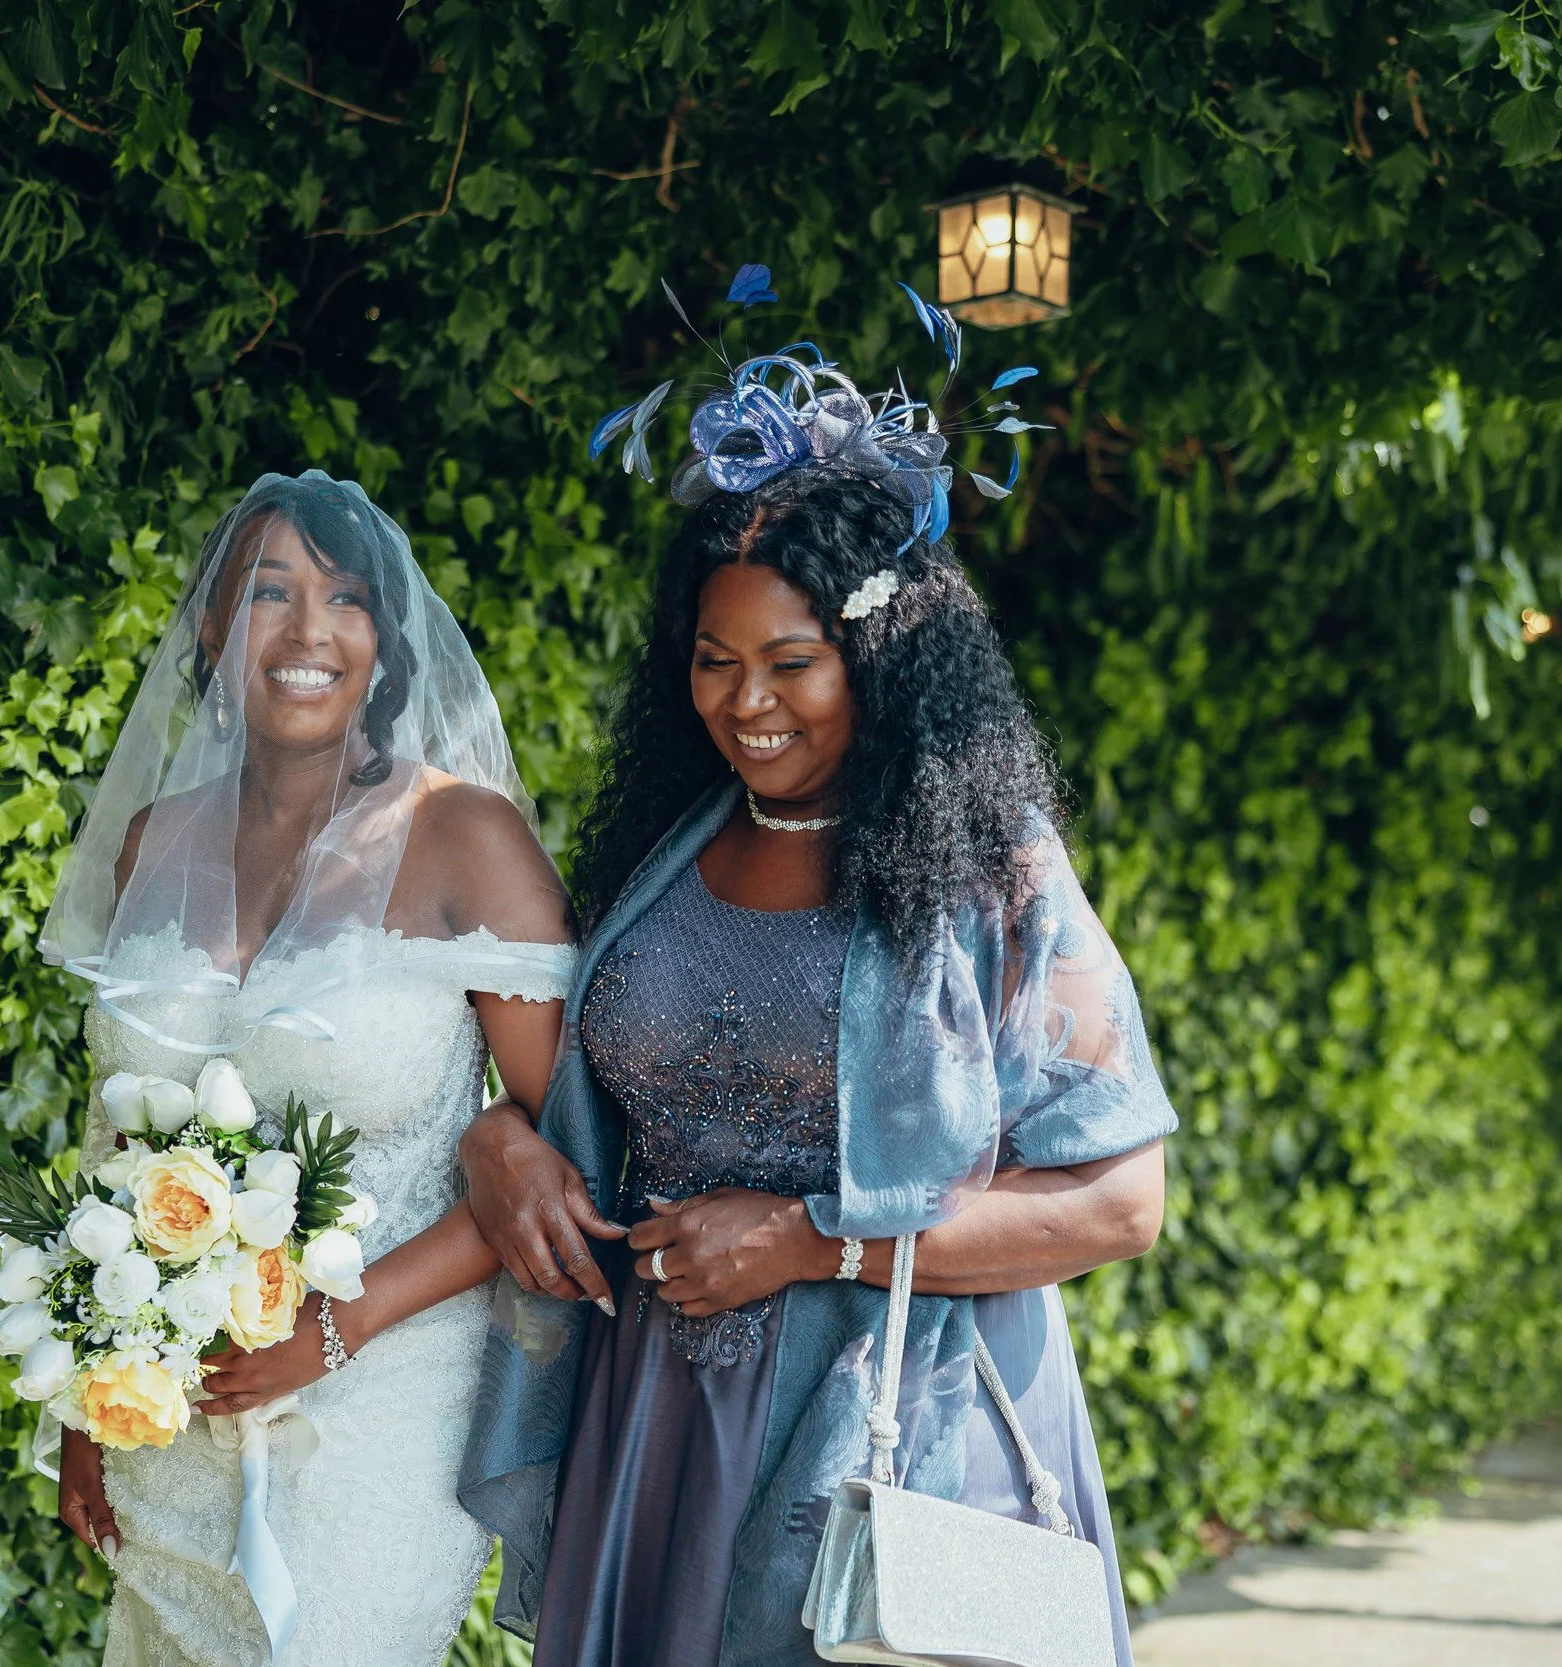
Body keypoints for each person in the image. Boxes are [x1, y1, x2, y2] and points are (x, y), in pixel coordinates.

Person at [456, 314, 1178, 1667]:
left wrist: (812, 1239)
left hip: (890, 1433)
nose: (748, 704)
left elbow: (1122, 1199)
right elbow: (581, 1091)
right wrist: (498, 1128)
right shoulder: (663, 855)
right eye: (715, 662)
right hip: (659, 1427)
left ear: (882, 656)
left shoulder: (993, 873)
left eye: (793, 663)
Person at [37, 471, 577, 1667]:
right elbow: (114, 1134)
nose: (306, 632)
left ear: (384, 642)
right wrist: (88, 1396)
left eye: (344, 599)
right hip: (172, 1409)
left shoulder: (465, 841)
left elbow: (569, 1156)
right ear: (214, 627)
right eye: (268, 591)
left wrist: (333, 1329)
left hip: (383, 1399)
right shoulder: (152, 840)